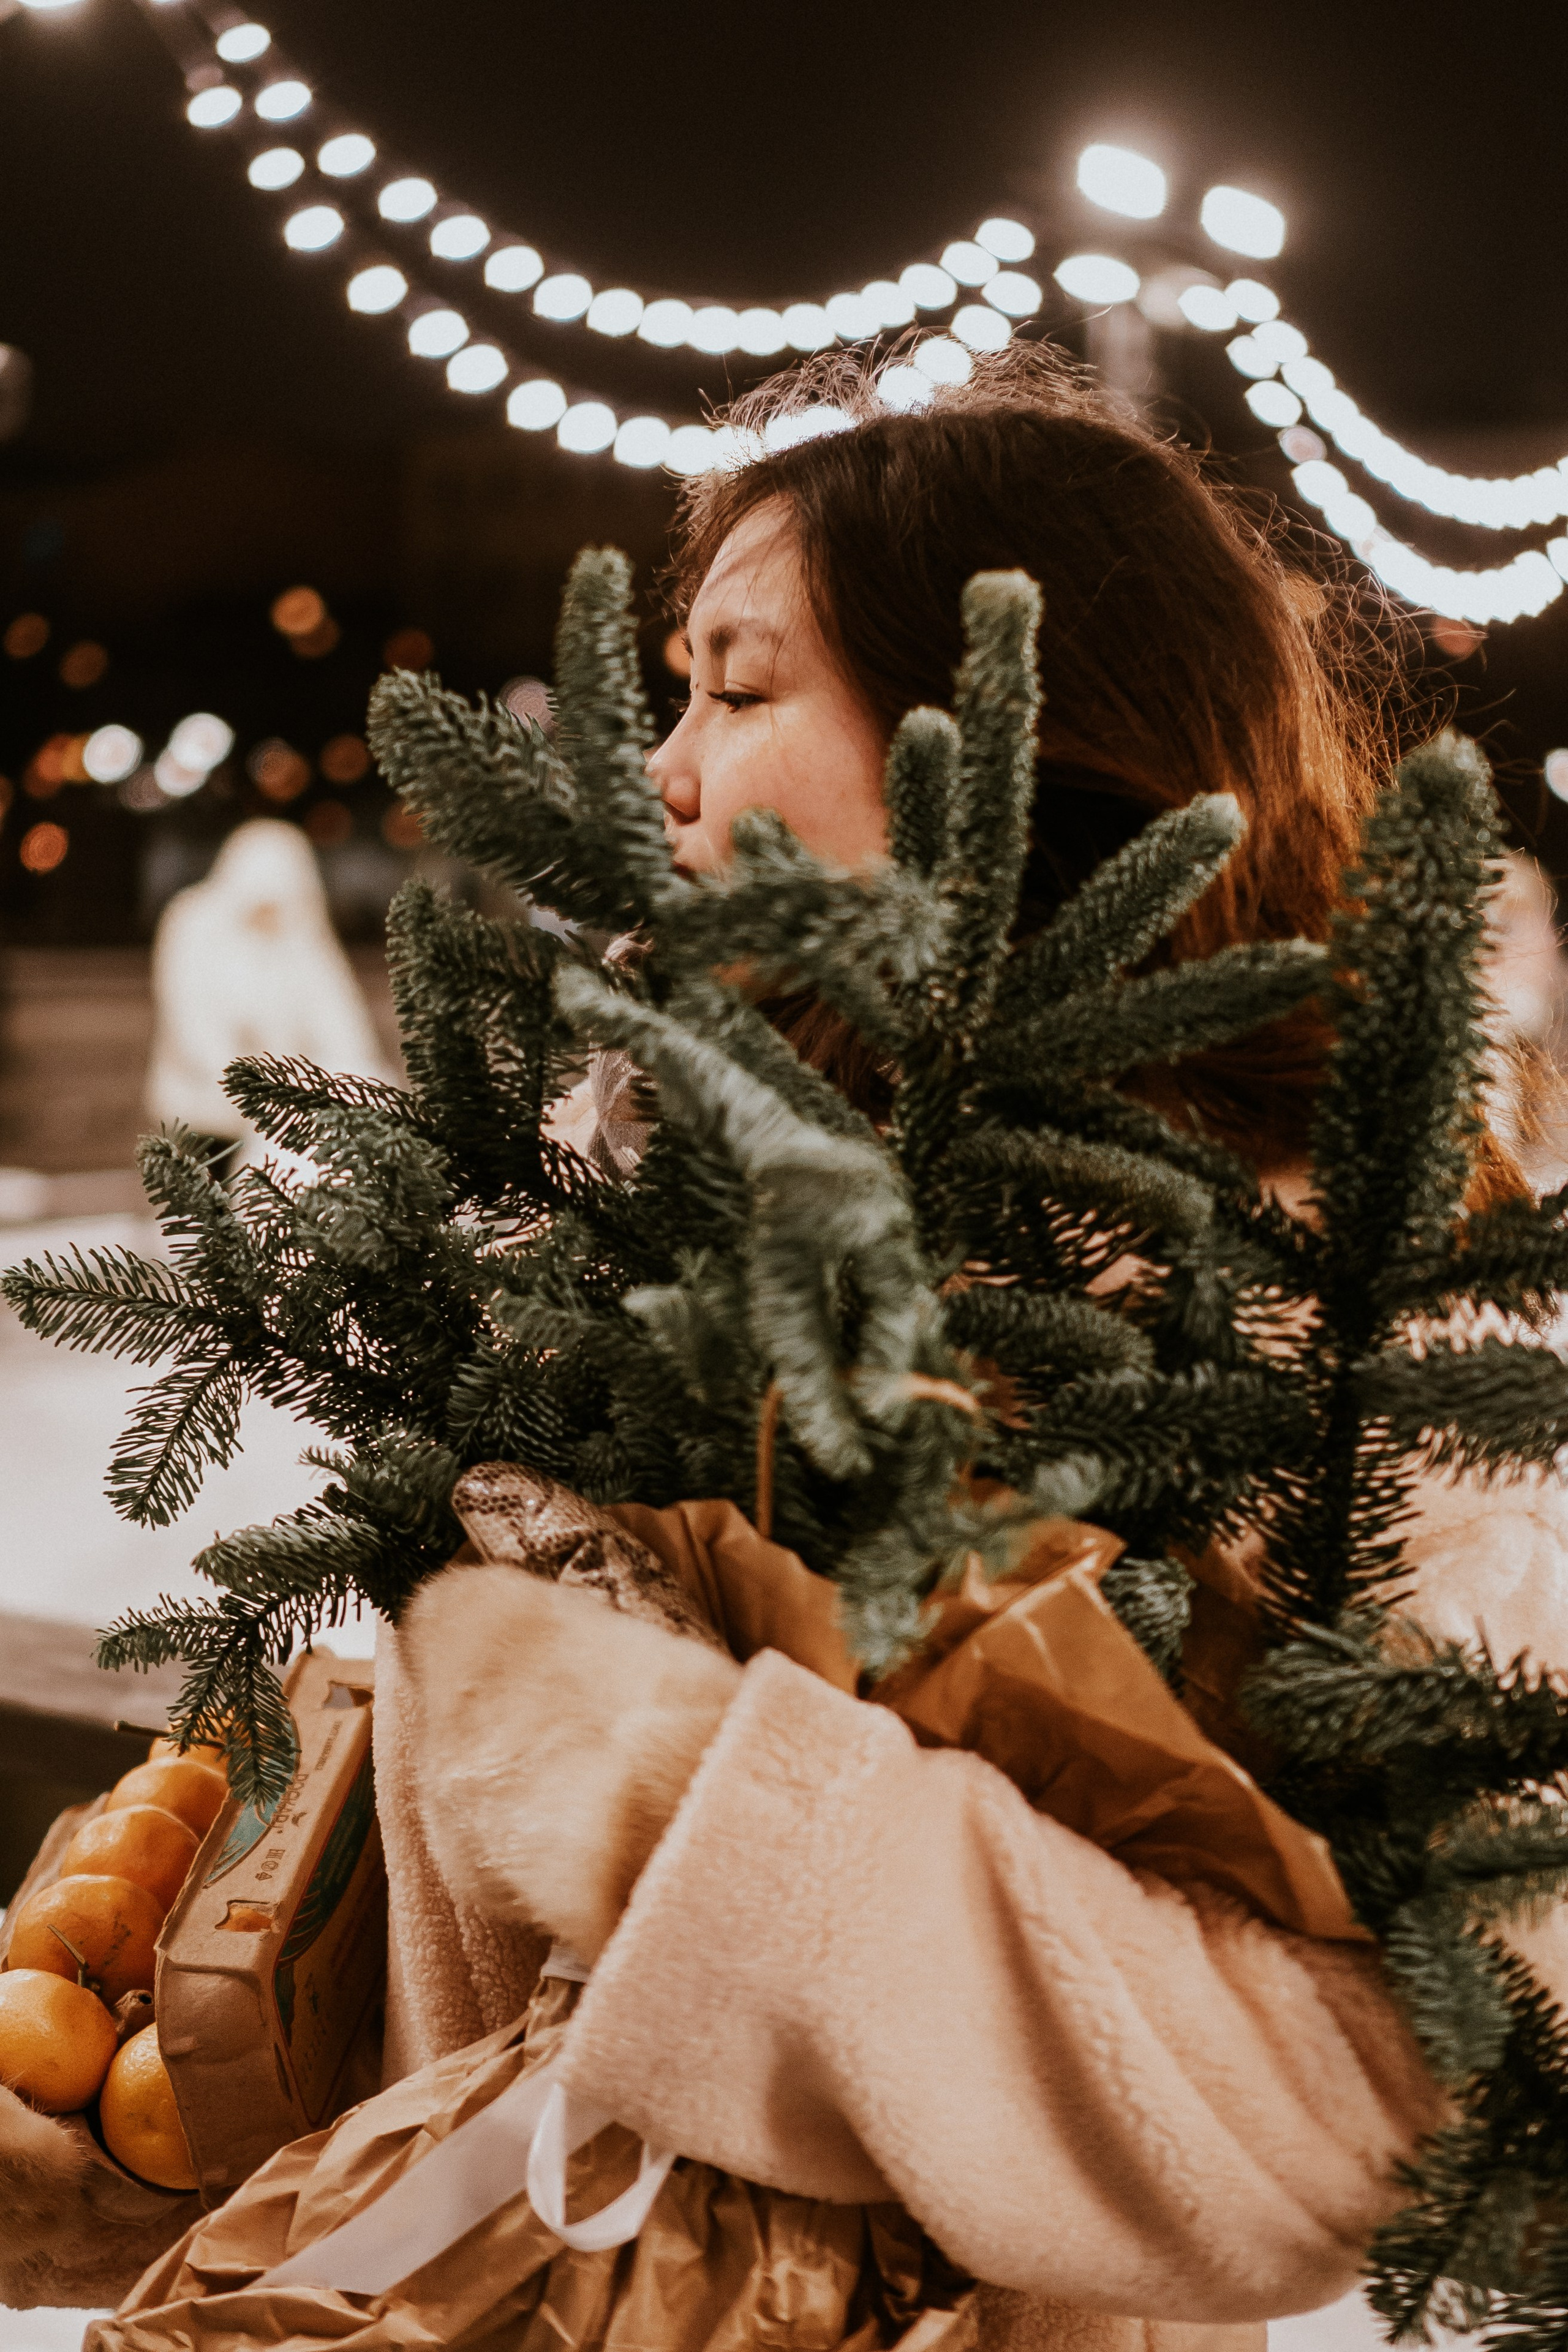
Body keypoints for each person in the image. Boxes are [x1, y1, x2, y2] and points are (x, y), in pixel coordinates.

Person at [380, 347, 1568, 2352]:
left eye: (740, 690)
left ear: (1010, 738)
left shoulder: (1304, 1305)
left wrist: (692, 1822)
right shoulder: (634, 1213)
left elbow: (1416, 2088)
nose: (656, 769)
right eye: (673, 685)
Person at [144, 818, 394, 1172]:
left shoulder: (301, 933)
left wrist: (362, 1079)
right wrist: (248, 1087)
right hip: (202, 1112)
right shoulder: (194, 922)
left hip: (282, 1120)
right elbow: (192, 1020)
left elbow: (337, 1015)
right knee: (204, 1213)